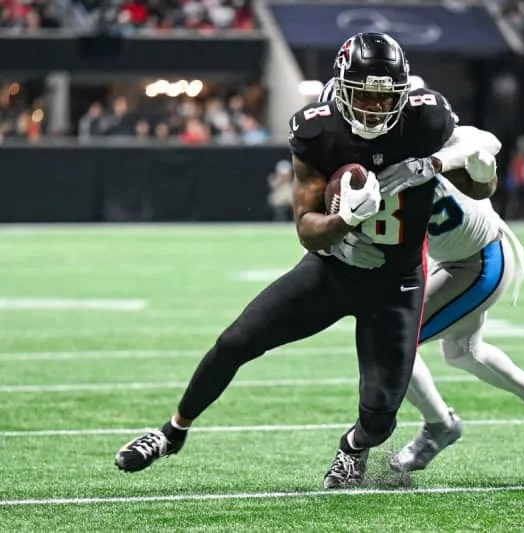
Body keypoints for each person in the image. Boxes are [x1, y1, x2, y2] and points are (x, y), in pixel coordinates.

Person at [114, 32, 496, 490]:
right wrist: (344, 223)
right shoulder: (318, 129)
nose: (375, 109)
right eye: (364, 96)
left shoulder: (425, 117)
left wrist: (446, 167)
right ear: (342, 90)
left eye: (385, 97)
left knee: (379, 418)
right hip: (333, 269)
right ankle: (171, 432)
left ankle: (353, 447)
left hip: (396, 283)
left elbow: (479, 169)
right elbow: (305, 227)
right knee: (235, 341)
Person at [316, 86, 524, 472]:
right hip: (454, 260)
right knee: (462, 352)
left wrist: (434, 163)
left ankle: (439, 425)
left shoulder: (418, 134)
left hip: (481, 259)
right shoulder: (359, 162)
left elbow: (487, 142)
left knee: (391, 343)